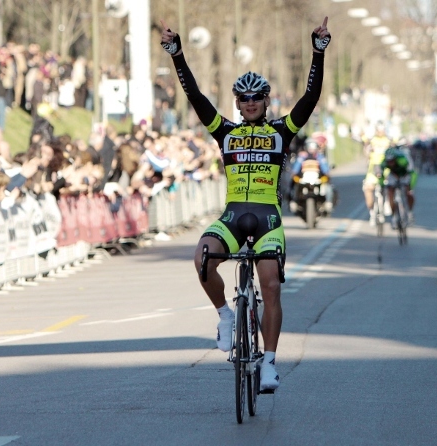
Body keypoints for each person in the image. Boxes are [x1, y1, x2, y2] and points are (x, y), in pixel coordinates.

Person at [160, 16, 331, 392]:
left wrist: (317, 52)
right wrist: (177, 55)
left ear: (266, 100)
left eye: (257, 97)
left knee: (270, 286)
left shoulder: (281, 131)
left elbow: (310, 98)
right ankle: (225, 315)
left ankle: (268, 363)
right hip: (233, 216)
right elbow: (195, 97)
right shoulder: (225, 132)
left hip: (268, 219)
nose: (250, 102)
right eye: (244, 98)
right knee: (202, 258)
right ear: (237, 103)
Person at [289, 138, 334, 213]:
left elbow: (325, 167)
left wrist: (327, 173)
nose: (311, 148)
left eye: (313, 146)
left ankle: (328, 202)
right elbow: (296, 167)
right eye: (309, 146)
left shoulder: (319, 156)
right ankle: (293, 201)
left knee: (328, 186)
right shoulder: (302, 156)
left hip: (317, 179)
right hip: (303, 179)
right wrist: (294, 173)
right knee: (293, 185)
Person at [362, 123, 390, 226]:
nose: (380, 132)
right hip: (373, 168)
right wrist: (367, 149)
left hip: (386, 168)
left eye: (382, 130)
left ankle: (387, 203)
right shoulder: (371, 141)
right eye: (379, 130)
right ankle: (372, 212)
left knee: (390, 186)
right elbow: (366, 153)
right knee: (368, 188)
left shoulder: (388, 141)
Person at [382, 147, 416, 228]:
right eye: (388, 161)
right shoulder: (384, 162)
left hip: (405, 174)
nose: (390, 163)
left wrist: (410, 186)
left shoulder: (403, 161)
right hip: (393, 175)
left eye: (392, 161)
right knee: (390, 192)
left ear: (395, 158)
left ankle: (410, 213)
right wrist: (382, 184)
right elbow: (380, 174)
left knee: (409, 193)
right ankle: (394, 216)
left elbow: (412, 173)